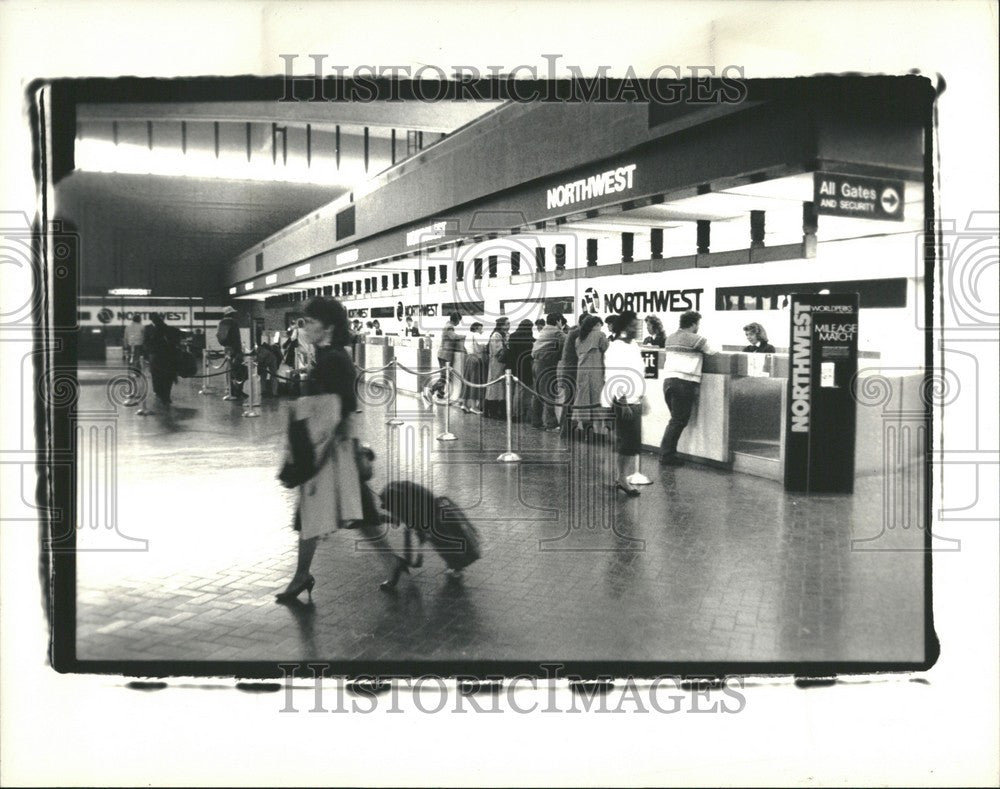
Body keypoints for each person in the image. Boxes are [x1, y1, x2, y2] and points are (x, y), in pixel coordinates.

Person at [276, 296, 407, 603]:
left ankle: (301, 576)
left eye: (309, 321)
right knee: (359, 515)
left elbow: (342, 408)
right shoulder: (328, 355)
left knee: (312, 514)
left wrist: (329, 448)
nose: (304, 326)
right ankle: (391, 562)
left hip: (329, 451)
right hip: (335, 448)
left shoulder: (334, 359)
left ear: (329, 326)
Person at [659, 310, 718, 467]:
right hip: (684, 383)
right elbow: (713, 351)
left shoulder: (670, 338)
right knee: (677, 421)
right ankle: (666, 455)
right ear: (693, 324)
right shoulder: (696, 339)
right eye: (698, 324)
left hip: (668, 381)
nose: (698, 327)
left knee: (675, 420)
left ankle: (668, 453)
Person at [602, 311, 647, 496]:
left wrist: (644, 397)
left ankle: (618, 476)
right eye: (632, 326)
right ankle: (621, 479)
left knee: (629, 443)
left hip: (634, 399)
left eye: (637, 325)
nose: (636, 328)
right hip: (623, 400)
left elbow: (637, 372)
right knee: (628, 443)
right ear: (624, 327)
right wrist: (623, 401)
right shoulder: (616, 347)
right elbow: (615, 375)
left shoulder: (634, 346)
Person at [573, 314, 609, 435]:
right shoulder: (600, 335)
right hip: (595, 371)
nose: (600, 328)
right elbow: (606, 348)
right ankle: (598, 433)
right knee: (596, 400)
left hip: (582, 372)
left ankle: (586, 431)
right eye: (599, 325)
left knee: (583, 401)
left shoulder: (579, 338)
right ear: (595, 325)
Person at [531, 312, 565, 431]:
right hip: (546, 365)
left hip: (535, 363)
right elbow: (565, 347)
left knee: (537, 394)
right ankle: (551, 424)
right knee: (549, 393)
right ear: (558, 321)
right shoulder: (558, 332)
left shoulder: (544, 331)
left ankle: (536, 422)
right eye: (561, 321)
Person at [556, 313, 588, 435]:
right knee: (570, 401)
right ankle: (566, 430)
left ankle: (566, 430)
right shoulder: (578, 333)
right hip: (572, 371)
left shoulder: (573, 331)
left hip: (568, 369)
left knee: (569, 401)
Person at [142, 313, 181, 405]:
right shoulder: (170, 329)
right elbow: (176, 342)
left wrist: (147, 353)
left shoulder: (150, 330)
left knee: (156, 376)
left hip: (155, 356)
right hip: (169, 356)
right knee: (168, 376)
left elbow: (146, 343)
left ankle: (159, 392)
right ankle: (166, 395)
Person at [428, 311, 463, 403]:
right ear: (456, 320)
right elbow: (453, 337)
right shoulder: (450, 327)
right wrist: (464, 336)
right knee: (444, 377)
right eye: (459, 320)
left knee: (444, 375)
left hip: (442, 354)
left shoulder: (447, 325)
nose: (459, 323)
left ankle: (440, 394)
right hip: (445, 355)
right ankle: (431, 390)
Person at [506, 319, 536, 422]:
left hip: (513, 366)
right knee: (523, 390)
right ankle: (519, 413)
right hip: (525, 366)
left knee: (516, 391)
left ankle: (515, 413)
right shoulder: (530, 339)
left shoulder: (513, 336)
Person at [216, 306, 245, 398]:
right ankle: (237, 391)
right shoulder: (233, 322)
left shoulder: (221, 322)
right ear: (231, 313)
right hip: (235, 349)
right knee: (238, 370)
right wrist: (239, 351)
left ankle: (230, 389)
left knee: (229, 368)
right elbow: (236, 338)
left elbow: (218, 335)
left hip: (227, 348)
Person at [483, 317, 509, 419]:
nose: (508, 326)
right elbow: (497, 351)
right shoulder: (496, 335)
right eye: (506, 324)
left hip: (501, 364)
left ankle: (497, 411)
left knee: (500, 388)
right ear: (501, 325)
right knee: (494, 387)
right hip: (497, 364)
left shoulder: (503, 334)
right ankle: (492, 411)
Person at [460, 322, 488, 414]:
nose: (481, 331)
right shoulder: (475, 335)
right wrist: (484, 347)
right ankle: (473, 407)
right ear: (476, 329)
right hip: (475, 359)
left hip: (468, 358)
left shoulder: (468, 335)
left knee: (467, 381)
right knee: (474, 382)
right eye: (480, 329)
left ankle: (464, 404)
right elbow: (479, 348)